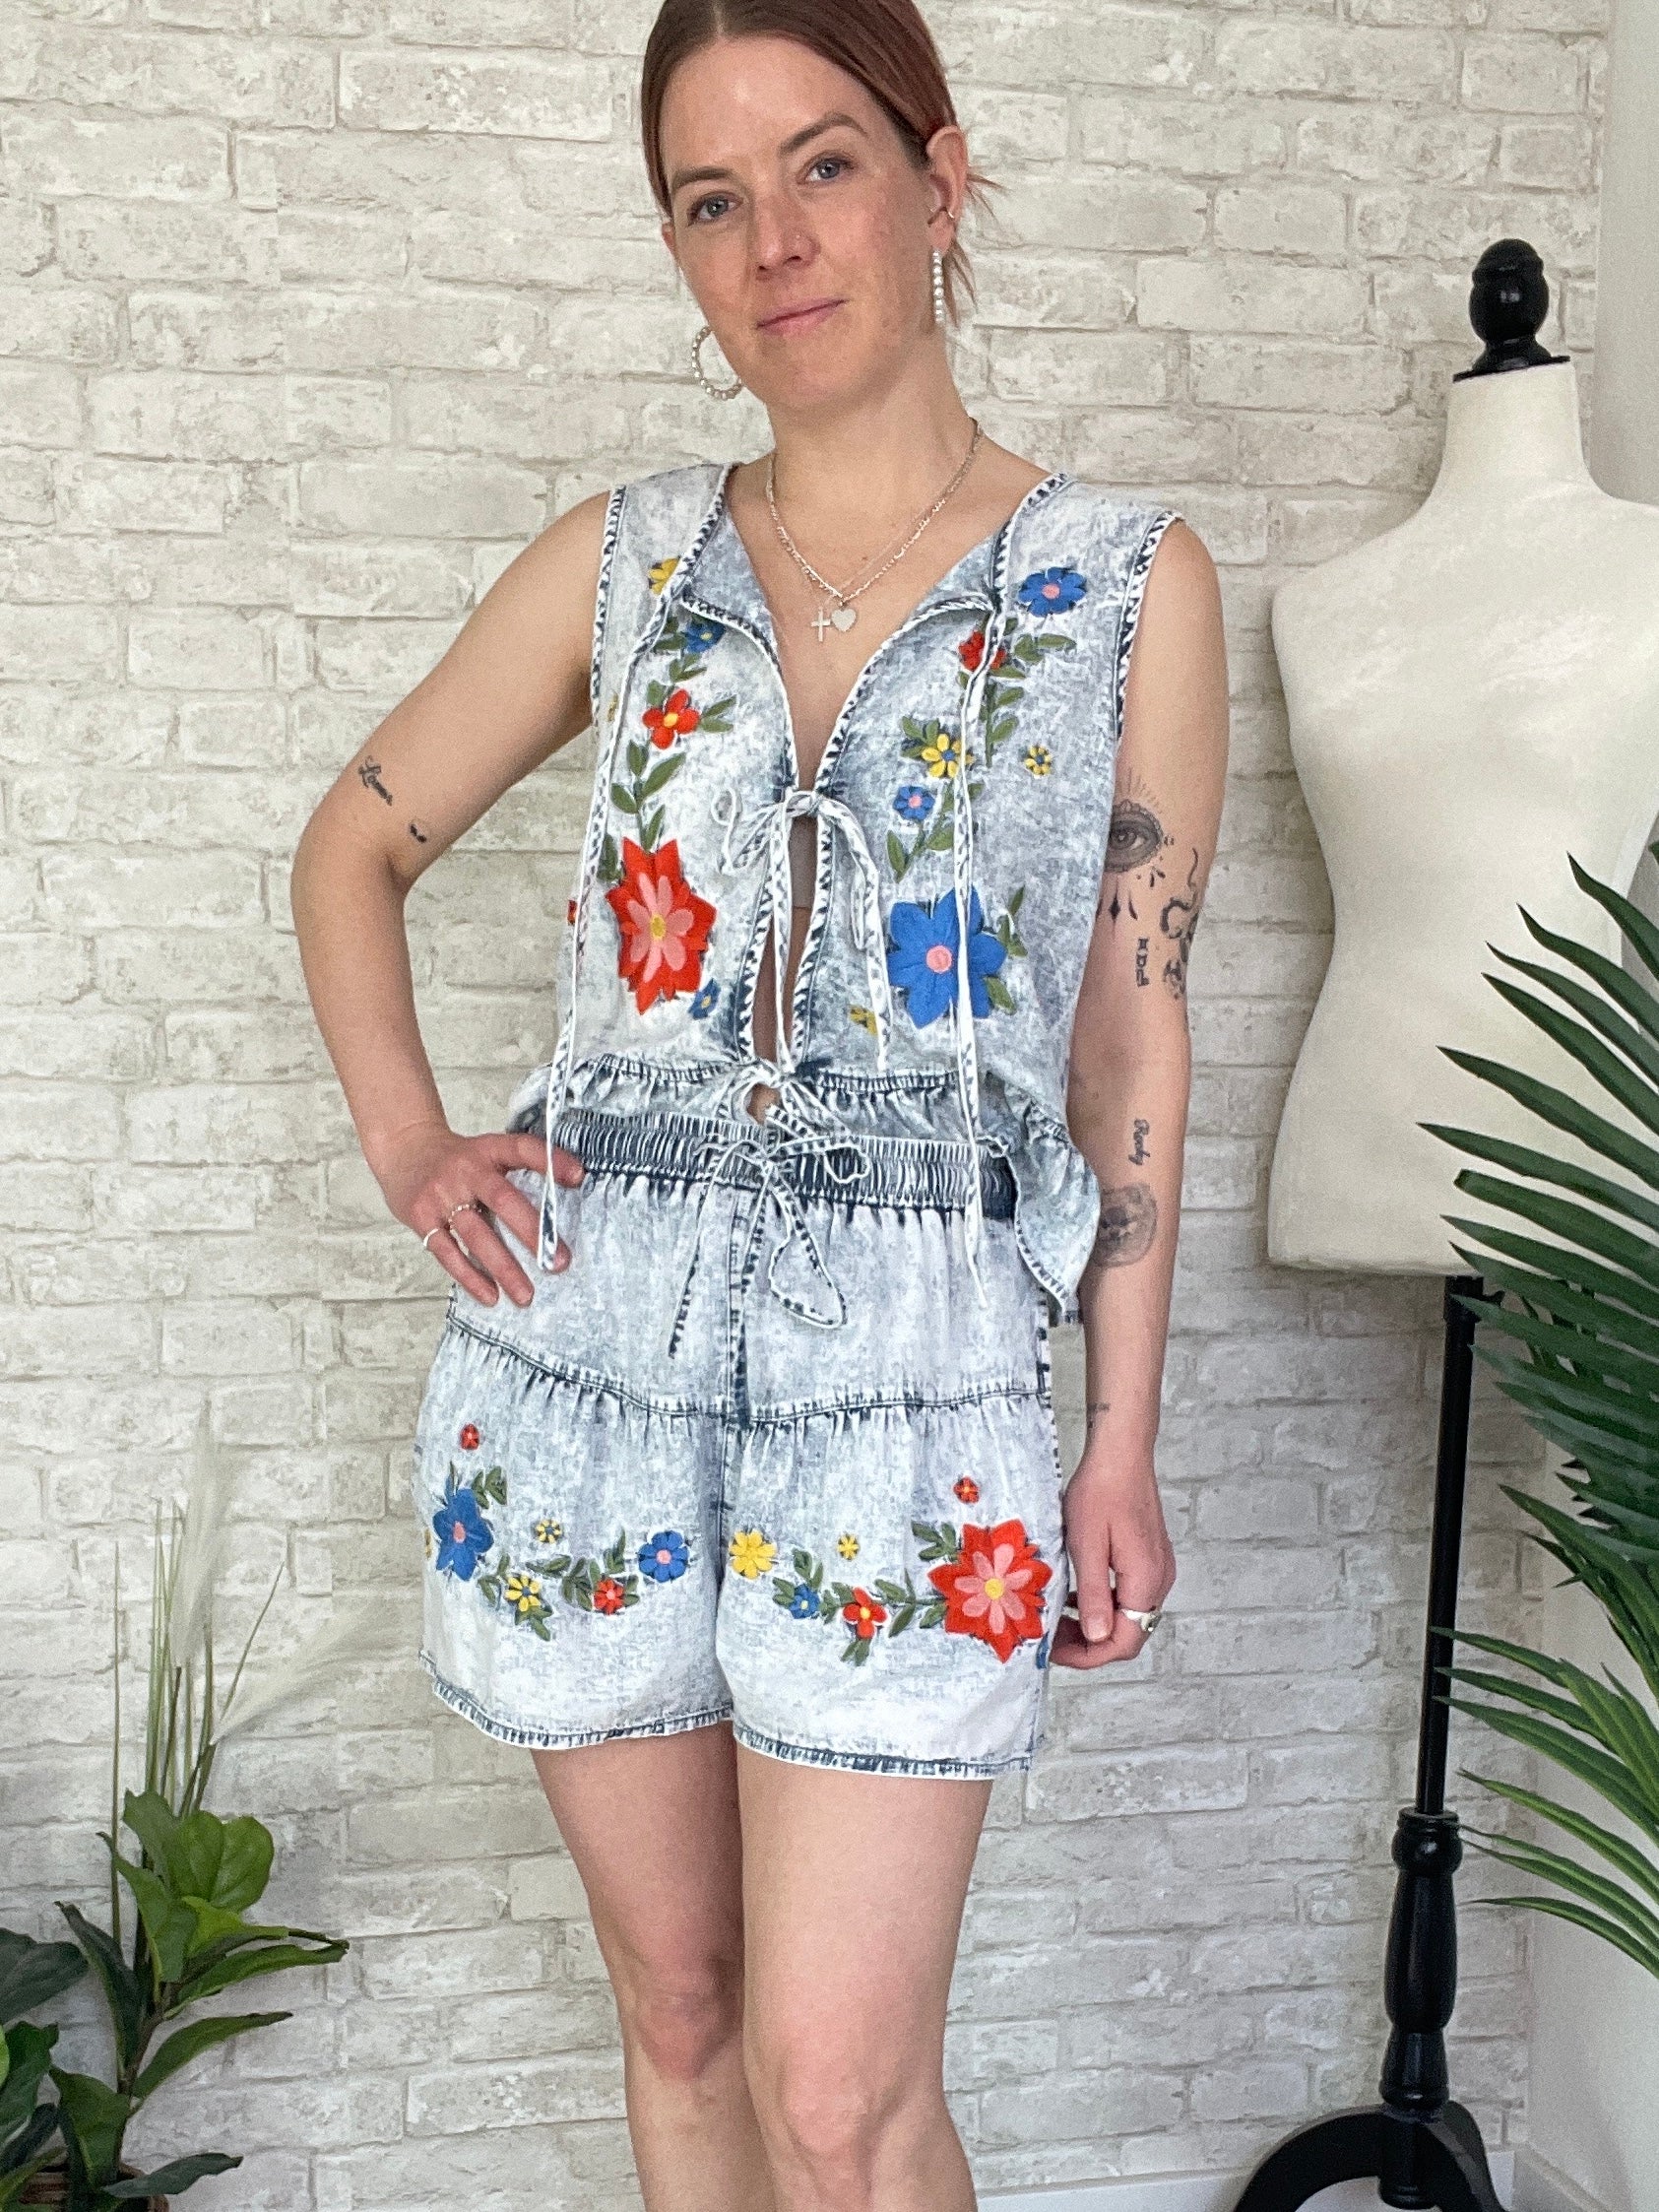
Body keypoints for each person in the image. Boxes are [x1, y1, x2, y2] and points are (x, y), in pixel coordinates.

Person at [290, 1, 1229, 2202]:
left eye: (822, 165)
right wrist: (413, 1141)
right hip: (583, 1379)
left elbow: (1126, 1038)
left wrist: (1118, 1433)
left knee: (840, 2094)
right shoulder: (620, 563)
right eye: (709, 201)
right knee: (686, 2014)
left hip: (918, 1401)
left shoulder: (1120, 586)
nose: (773, 244)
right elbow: (351, 845)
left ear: (938, 176)